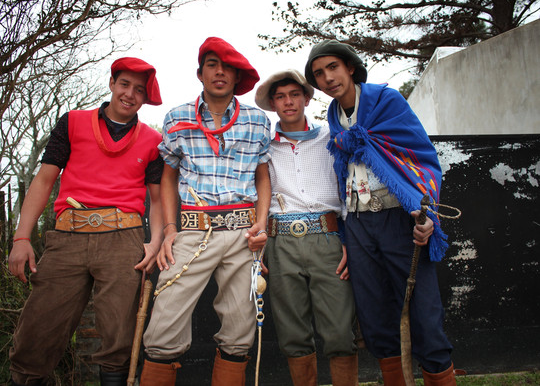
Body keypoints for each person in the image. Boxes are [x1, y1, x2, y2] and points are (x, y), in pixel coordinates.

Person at [304, 40, 457, 385]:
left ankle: (438, 374)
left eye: (333, 67)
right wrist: (347, 234)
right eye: (319, 73)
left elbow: (422, 159)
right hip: (358, 223)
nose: (328, 78)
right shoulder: (334, 118)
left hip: (398, 218)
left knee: (424, 312)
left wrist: (426, 213)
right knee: (373, 314)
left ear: (350, 67)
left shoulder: (387, 101)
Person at [8, 57, 165, 386]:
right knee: (38, 330)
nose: (130, 94)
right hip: (68, 236)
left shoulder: (153, 140)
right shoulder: (73, 122)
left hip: (124, 238)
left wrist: (155, 241)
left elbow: (158, 198)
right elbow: (44, 180)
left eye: (139, 90)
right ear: (111, 84)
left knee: (119, 335)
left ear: (145, 97)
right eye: (124, 84)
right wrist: (21, 238)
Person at [139, 37, 271, 386]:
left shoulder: (257, 120)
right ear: (200, 73)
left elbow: (263, 176)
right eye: (212, 65)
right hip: (193, 229)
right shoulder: (177, 117)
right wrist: (170, 230)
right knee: (164, 321)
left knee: (241, 327)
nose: (220, 72)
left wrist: (261, 224)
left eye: (228, 67)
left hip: (243, 233)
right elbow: (168, 176)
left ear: (237, 76)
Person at [254, 69, 358, 386]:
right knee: (292, 332)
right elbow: (259, 192)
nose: (288, 102)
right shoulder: (263, 146)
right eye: (280, 97)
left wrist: (348, 240)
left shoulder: (330, 137)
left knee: (340, 330)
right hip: (281, 241)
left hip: (327, 238)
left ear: (307, 99)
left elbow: (347, 186)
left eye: (294, 95)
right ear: (273, 104)